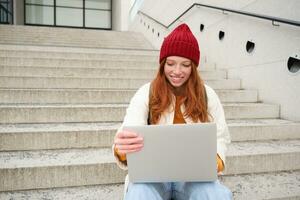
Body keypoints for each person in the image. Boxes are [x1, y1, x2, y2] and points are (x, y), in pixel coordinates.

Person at [112, 23, 232, 200]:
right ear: (162, 64)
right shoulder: (146, 92)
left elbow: (220, 137)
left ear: (193, 67)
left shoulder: (208, 95)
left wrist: (216, 160)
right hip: (152, 176)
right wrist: (122, 149)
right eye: (170, 63)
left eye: (185, 65)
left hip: (193, 177)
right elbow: (129, 129)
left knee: (213, 194)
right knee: (140, 193)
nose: (177, 71)